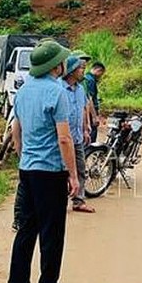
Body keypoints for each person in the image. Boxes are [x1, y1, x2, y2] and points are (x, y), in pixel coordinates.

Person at [8, 40, 79, 283]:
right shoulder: (57, 92)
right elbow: (64, 137)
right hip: (50, 173)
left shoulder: (24, 91)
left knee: (26, 230)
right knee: (52, 233)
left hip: (27, 169)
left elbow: (16, 129)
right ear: (56, 65)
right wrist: (73, 174)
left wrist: (22, 156)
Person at [62, 56, 94, 213]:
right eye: (81, 68)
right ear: (72, 71)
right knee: (62, 171)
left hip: (77, 137)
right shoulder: (60, 88)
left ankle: (78, 200)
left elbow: (82, 109)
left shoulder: (80, 89)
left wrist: (86, 128)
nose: (84, 71)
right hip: (63, 138)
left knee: (81, 168)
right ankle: (59, 201)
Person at [83, 61, 106, 143]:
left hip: (85, 109)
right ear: (98, 70)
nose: (100, 76)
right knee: (92, 131)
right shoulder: (91, 80)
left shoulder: (85, 78)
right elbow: (89, 99)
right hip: (91, 110)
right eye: (101, 73)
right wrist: (94, 116)